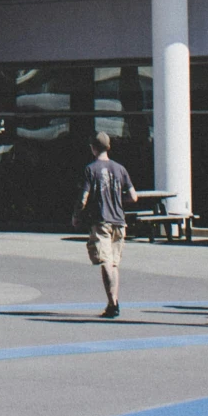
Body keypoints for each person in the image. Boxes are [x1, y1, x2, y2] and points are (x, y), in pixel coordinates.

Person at [76, 132, 137, 318]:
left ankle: (113, 303)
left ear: (93, 148)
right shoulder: (120, 169)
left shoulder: (90, 169)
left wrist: (77, 215)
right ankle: (114, 301)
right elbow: (133, 196)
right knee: (114, 264)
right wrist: (119, 200)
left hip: (101, 220)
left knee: (105, 262)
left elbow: (83, 198)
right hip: (119, 220)